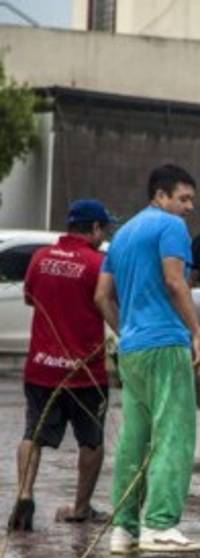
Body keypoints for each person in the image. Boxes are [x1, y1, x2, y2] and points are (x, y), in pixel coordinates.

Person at [94, 164, 200, 554]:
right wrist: (197, 333)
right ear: (160, 196)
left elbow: (101, 296)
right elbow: (175, 282)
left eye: (191, 199)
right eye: (183, 198)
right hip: (165, 343)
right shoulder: (171, 227)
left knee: (134, 439)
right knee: (173, 432)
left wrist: (126, 329)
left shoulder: (122, 235)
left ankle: (124, 529)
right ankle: (160, 525)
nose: (189, 207)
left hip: (133, 349)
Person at [7, 200, 114, 532]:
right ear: (94, 228)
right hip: (85, 372)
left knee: (32, 434)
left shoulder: (41, 258)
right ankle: (80, 509)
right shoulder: (98, 263)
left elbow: (29, 297)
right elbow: (107, 301)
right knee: (91, 441)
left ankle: (24, 494)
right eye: (103, 228)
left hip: (42, 367)